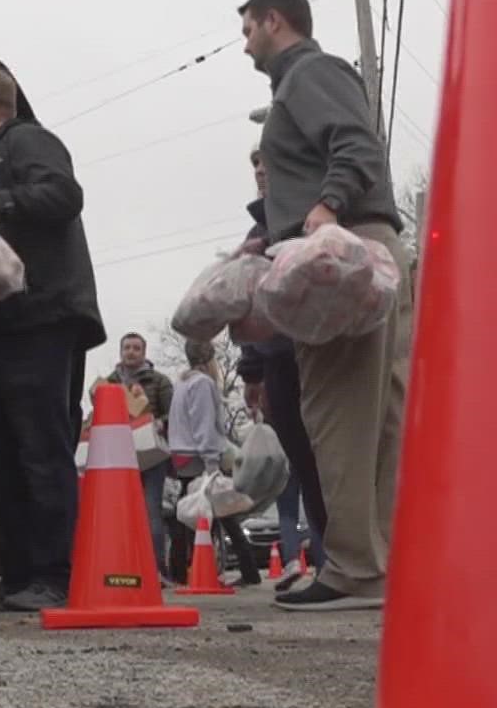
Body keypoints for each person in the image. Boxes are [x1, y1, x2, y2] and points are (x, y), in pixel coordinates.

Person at [237, 0, 410, 612]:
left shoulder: (306, 74)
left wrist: (325, 206)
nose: (246, 45)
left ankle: (355, 568)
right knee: (382, 416)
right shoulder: (313, 76)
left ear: (274, 20)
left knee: (336, 408)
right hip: (372, 246)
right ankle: (381, 562)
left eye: (249, 30)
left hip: (345, 253)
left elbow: (357, 144)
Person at [0, 66, 106, 613]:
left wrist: (2, 202)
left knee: (39, 448)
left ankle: (54, 574)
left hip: (37, 320)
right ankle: (14, 576)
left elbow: (64, 193)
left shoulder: (25, 141)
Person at [235, 146, 328, 590]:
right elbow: (255, 301)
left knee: (330, 458)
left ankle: (341, 562)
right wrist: (251, 372)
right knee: (304, 462)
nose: (259, 172)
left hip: (319, 352)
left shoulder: (313, 216)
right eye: (254, 165)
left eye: (266, 163)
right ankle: (326, 564)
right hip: (276, 359)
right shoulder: (260, 227)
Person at [164, 339, 261, 587]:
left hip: (182, 454)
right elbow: (204, 423)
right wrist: (211, 461)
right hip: (200, 455)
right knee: (217, 511)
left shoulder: (182, 383)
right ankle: (245, 568)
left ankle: (182, 569)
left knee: (191, 513)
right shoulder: (204, 384)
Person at [100, 333, 176, 582]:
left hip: (151, 455)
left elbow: (172, 416)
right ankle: (124, 566)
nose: (131, 352)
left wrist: (158, 424)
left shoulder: (158, 381)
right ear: (120, 351)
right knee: (120, 514)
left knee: (150, 509)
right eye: (127, 348)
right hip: (118, 456)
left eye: (136, 348)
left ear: (144, 352)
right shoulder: (108, 384)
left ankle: (157, 569)